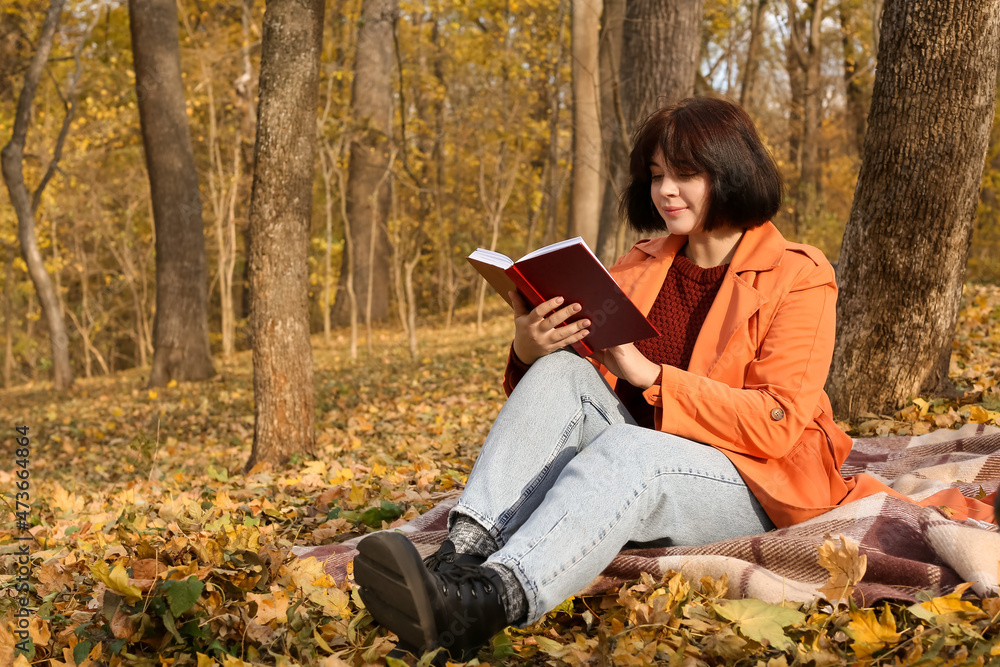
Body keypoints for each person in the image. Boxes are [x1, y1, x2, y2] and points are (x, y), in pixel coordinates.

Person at [352, 96, 855, 661]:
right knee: (562, 369)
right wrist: (528, 347)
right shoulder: (642, 262)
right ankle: (456, 563)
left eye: (686, 175)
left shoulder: (800, 274)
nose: (666, 191)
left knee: (632, 447)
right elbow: (560, 410)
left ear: (732, 170)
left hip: (756, 480)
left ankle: (484, 605)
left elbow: (777, 424)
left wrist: (650, 375)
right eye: (657, 175)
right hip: (641, 461)